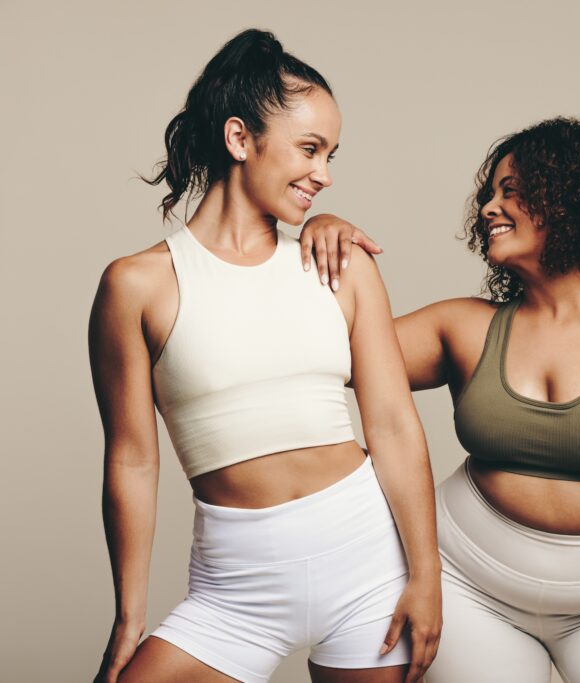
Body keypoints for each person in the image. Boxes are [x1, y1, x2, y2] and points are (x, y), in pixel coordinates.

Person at [300, 117, 580, 682]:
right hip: (466, 586)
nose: (488, 209)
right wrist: (324, 240)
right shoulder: (465, 326)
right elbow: (321, 350)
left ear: (572, 198)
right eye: (489, 193)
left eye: (512, 191)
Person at [87, 29, 441, 683]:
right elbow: (132, 458)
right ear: (240, 139)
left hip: (366, 568)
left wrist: (427, 574)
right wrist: (128, 614)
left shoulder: (341, 265)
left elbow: (393, 425)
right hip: (234, 590)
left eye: (331, 154)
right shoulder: (134, 286)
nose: (325, 174)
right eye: (310, 148)